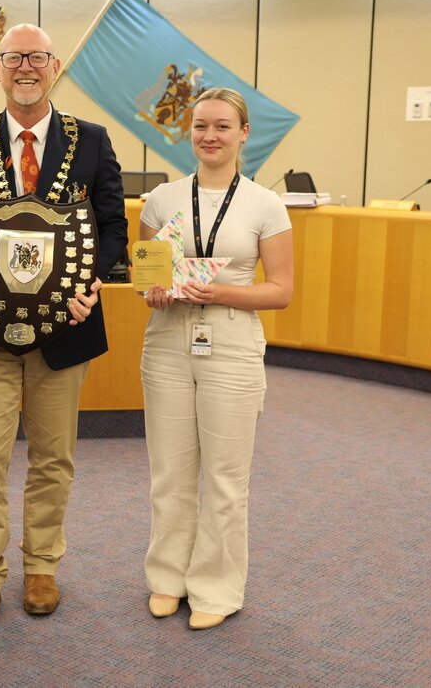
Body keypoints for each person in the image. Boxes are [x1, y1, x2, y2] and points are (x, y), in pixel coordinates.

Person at [0, 23, 128, 635]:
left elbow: (114, 227)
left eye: (36, 58)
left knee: (53, 458)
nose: (25, 67)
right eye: (14, 58)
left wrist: (89, 282)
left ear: (54, 67)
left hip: (65, 330)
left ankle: (42, 567)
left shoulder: (90, 141)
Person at [139, 87, 293, 630]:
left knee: (226, 477)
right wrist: (154, 290)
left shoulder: (265, 204)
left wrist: (221, 293)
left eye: (223, 126)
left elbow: (281, 291)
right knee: (170, 472)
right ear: (189, 132)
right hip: (166, 342)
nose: (210, 135)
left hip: (230, 342)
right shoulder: (162, 199)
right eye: (201, 126)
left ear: (243, 133)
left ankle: (217, 587)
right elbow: (147, 276)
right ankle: (167, 577)